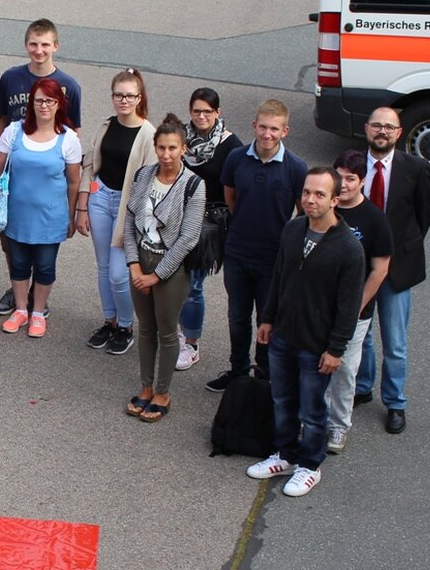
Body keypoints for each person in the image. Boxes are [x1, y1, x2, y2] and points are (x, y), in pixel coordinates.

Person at [247, 168, 365, 497]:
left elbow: (348, 306)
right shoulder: (293, 229)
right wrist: (268, 319)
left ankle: (310, 465)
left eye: (319, 195)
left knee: (313, 411)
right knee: (282, 399)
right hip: (283, 334)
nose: (310, 200)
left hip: (318, 345)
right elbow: (280, 277)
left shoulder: (349, 249)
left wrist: (336, 350)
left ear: (335, 200)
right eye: (307, 193)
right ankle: (285, 454)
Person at [207, 98, 307, 391]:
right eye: (262, 127)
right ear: (254, 126)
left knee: (267, 319)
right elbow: (230, 197)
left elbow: (302, 213)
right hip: (237, 253)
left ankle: (263, 375)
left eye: (274, 129)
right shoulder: (237, 158)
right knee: (237, 317)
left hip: (273, 260)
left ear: (285, 131)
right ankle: (237, 371)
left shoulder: (296, 168)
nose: (267, 134)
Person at [0, 78, 81, 339]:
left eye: (50, 100)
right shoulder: (13, 131)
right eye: (39, 100)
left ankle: (38, 312)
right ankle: (21, 309)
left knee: (45, 267)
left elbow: (74, 181)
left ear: (59, 104)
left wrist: (72, 216)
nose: (44, 105)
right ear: (31, 103)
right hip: (17, 215)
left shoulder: (68, 139)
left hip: (50, 218)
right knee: (19, 264)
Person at [0, 19, 83, 317]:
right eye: (33, 44)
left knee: (42, 246)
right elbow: (2, 120)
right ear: (25, 45)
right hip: (15, 169)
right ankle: (16, 287)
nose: (39, 50)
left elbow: (74, 130)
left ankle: (37, 296)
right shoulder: (11, 78)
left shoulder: (70, 86)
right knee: (11, 236)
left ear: (55, 46)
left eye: (45, 44)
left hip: (47, 170)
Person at [354, 107, 430, 434]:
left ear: (399, 133)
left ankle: (395, 402)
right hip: (359, 267)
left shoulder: (415, 168)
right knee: (361, 334)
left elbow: (423, 214)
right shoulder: (353, 165)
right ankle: (362, 386)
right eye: (377, 126)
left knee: (396, 341)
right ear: (366, 129)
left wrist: (400, 250)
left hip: (398, 269)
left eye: (389, 127)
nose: (382, 132)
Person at [122, 114, 204, 423]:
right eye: (161, 148)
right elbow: (130, 220)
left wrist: (155, 276)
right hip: (140, 260)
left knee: (167, 332)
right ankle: (145, 387)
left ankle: (162, 391)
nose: (166, 155)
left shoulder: (194, 184)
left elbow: (188, 238)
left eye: (172, 148)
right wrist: (133, 265)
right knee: (146, 328)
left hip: (170, 269)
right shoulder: (144, 175)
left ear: (183, 149)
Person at [78, 68, 156, 356]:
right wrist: (82, 205)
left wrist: (135, 222)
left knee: (118, 274)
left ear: (139, 98)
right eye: (118, 95)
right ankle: (109, 321)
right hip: (100, 199)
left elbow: (149, 182)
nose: (123, 100)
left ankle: (126, 326)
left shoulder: (148, 134)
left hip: (127, 208)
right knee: (102, 266)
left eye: (129, 96)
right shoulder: (106, 125)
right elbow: (89, 164)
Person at [324, 151, 392, 453]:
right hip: (320, 306)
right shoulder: (325, 209)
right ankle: (314, 420)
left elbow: (380, 270)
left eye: (350, 179)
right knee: (315, 366)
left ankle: (338, 427)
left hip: (355, 313)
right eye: (339, 178)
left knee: (344, 370)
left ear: (362, 181)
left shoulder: (375, 219)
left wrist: (353, 309)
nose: (344, 185)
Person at [176, 88, 242, 371]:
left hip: (209, 223)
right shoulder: (181, 138)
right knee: (174, 281)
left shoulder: (231, 146)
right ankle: (176, 333)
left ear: (218, 113)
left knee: (193, 286)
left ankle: (190, 343)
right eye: (196, 111)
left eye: (207, 111)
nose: (201, 116)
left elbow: (236, 189)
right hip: (177, 217)